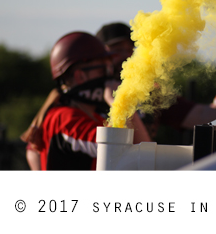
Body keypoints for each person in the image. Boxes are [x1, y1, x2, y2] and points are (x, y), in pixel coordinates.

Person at [38, 31, 151, 170]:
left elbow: (144, 152)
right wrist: (120, 103)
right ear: (80, 76)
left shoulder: (95, 117)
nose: (109, 76)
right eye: (103, 70)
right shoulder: (63, 117)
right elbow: (114, 149)